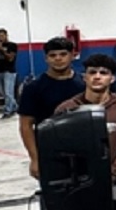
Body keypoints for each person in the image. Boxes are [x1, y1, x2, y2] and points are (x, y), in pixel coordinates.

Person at [54, 54, 116, 210]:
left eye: (103, 73)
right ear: (84, 77)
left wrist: (112, 174)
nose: (97, 77)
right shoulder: (66, 109)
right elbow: (56, 147)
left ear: (112, 78)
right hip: (75, 187)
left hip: (111, 184)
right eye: (92, 72)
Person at [17, 36, 85, 179]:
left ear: (72, 56)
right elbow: (26, 126)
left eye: (63, 54)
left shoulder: (84, 85)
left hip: (83, 150)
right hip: (49, 152)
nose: (58, 59)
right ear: (46, 58)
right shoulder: (33, 88)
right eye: (53, 55)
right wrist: (34, 159)